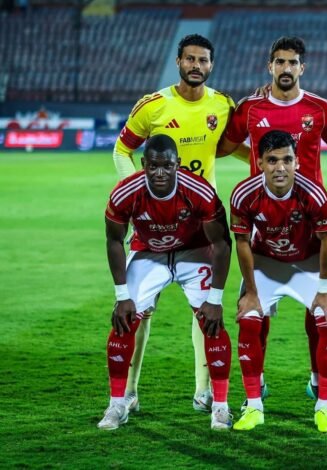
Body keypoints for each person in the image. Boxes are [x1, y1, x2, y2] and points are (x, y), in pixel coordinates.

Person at [111, 34, 239, 414]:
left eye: (203, 60)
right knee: (139, 310)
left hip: (201, 221)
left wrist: (267, 165)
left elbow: (232, 147)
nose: (196, 65)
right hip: (155, 220)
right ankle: (129, 393)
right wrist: (138, 194)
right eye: (190, 59)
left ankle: (204, 392)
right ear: (179, 61)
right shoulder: (153, 105)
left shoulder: (223, 104)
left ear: (211, 65)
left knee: (205, 307)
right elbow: (122, 149)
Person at [219, 36, 327, 410]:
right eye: (280, 62)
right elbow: (224, 145)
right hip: (264, 219)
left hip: (311, 222)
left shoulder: (320, 108)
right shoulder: (251, 108)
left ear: (302, 67)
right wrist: (257, 160)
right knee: (255, 308)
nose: (286, 68)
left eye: (293, 62)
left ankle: (317, 383)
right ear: (270, 66)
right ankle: (256, 384)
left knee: (321, 310)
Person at [98, 134, 233, 431]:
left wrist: (215, 299)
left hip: (194, 252)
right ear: (143, 164)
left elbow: (222, 244)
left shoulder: (199, 191)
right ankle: (117, 404)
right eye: (153, 166)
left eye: (167, 166)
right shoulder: (125, 192)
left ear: (178, 164)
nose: (160, 173)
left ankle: (221, 407)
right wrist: (122, 295)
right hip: (149, 253)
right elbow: (114, 240)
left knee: (211, 321)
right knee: (124, 319)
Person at [229, 131, 327, 433]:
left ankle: (323, 407)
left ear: (297, 162)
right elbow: (242, 242)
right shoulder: (244, 194)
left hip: (308, 262)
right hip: (266, 262)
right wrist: (251, 292)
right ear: (260, 163)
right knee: (249, 318)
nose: (280, 167)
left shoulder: (314, 193)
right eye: (272, 160)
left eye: (287, 160)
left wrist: (323, 289)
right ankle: (254, 405)